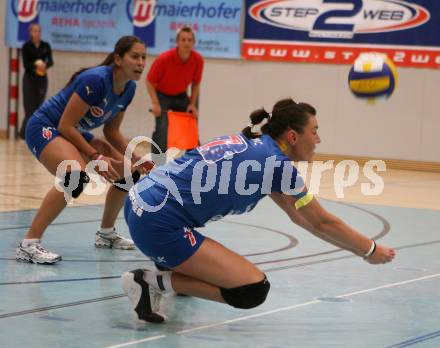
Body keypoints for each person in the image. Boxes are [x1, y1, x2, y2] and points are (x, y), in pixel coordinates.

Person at [121, 98, 396, 323]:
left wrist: (359, 251)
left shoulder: (257, 150)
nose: (318, 139)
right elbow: (322, 221)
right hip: (158, 224)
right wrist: (370, 249)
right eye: (314, 131)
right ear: (292, 135)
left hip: (138, 202)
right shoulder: (275, 165)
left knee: (204, 272)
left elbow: (300, 217)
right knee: (252, 290)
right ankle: (149, 282)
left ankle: (167, 268)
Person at [16, 36, 154, 264]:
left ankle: (106, 233)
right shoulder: (96, 80)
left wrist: (137, 158)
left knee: (129, 174)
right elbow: (65, 125)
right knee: (75, 177)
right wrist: (95, 156)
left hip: (74, 131)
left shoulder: (129, 88)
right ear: (118, 59)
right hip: (45, 127)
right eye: (135, 56)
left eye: (143, 57)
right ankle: (29, 244)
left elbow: (112, 132)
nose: (141, 62)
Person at [146, 26, 204, 160]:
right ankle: (157, 163)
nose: (187, 43)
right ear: (177, 42)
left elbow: (196, 83)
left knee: (191, 124)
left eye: (190, 40)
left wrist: (192, 104)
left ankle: (194, 160)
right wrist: (155, 103)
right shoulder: (164, 59)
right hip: (162, 95)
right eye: (183, 39)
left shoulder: (198, 60)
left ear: (193, 43)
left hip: (181, 95)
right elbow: (149, 82)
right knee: (162, 128)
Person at [20, 23, 54, 139]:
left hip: (42, 79)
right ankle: (24, 134)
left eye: (39, 31)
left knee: (38, 108)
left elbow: (50, 62)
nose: (37, 33)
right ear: (30, 32)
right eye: (35, 31)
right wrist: (36, 68)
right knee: (29, 108)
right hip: (29, 79)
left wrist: (45, 66)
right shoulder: (26, 46)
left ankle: (31, 133)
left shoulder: (46, 45)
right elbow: (26, 64)